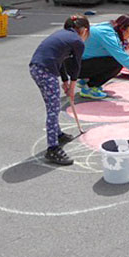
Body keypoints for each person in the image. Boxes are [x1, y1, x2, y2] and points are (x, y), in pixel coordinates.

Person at [29, 15, 90, 165]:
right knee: (53, 109)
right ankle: (53, 149)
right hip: (45, 71)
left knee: (51, 105)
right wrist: (72, 88)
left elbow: (61, 60)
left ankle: (58, 133)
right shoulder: (77, 41)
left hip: (37, 68)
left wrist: (64, 81)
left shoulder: (63, 35)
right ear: (84, 31)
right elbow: (76, 67)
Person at [72, 14, 129, 99]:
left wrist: (122, 45)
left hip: (76, 61)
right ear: (122, 28)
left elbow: (102, 49)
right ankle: (89, 88)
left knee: (112, 59)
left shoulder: (108, 27)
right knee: (117, 63)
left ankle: (85, 80)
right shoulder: (108, 35)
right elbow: (123, 59)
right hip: (74, 65)